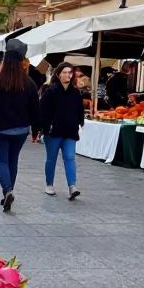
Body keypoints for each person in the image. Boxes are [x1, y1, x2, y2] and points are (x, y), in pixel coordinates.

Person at [0, 47, 39, 211]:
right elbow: (35, 109)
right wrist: (36, 130)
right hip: (20, 130)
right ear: (21, 63)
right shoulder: (29, 83)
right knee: (13, 160)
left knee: (1, 161)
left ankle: (7, 190)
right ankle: (9, 190)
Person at [39, 63, 85, 200]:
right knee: (51, 159)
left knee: (70, 157)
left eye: (70, 72)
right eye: (64, 72)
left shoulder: (76, 92)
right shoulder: (50, 91)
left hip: (70, 130)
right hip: (54, 131)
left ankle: (72, 186)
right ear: (58, 74)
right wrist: (45, 127)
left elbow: (79, 110)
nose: (67, 75)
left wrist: (80, 122)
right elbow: (42, 111)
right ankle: (49, 184)